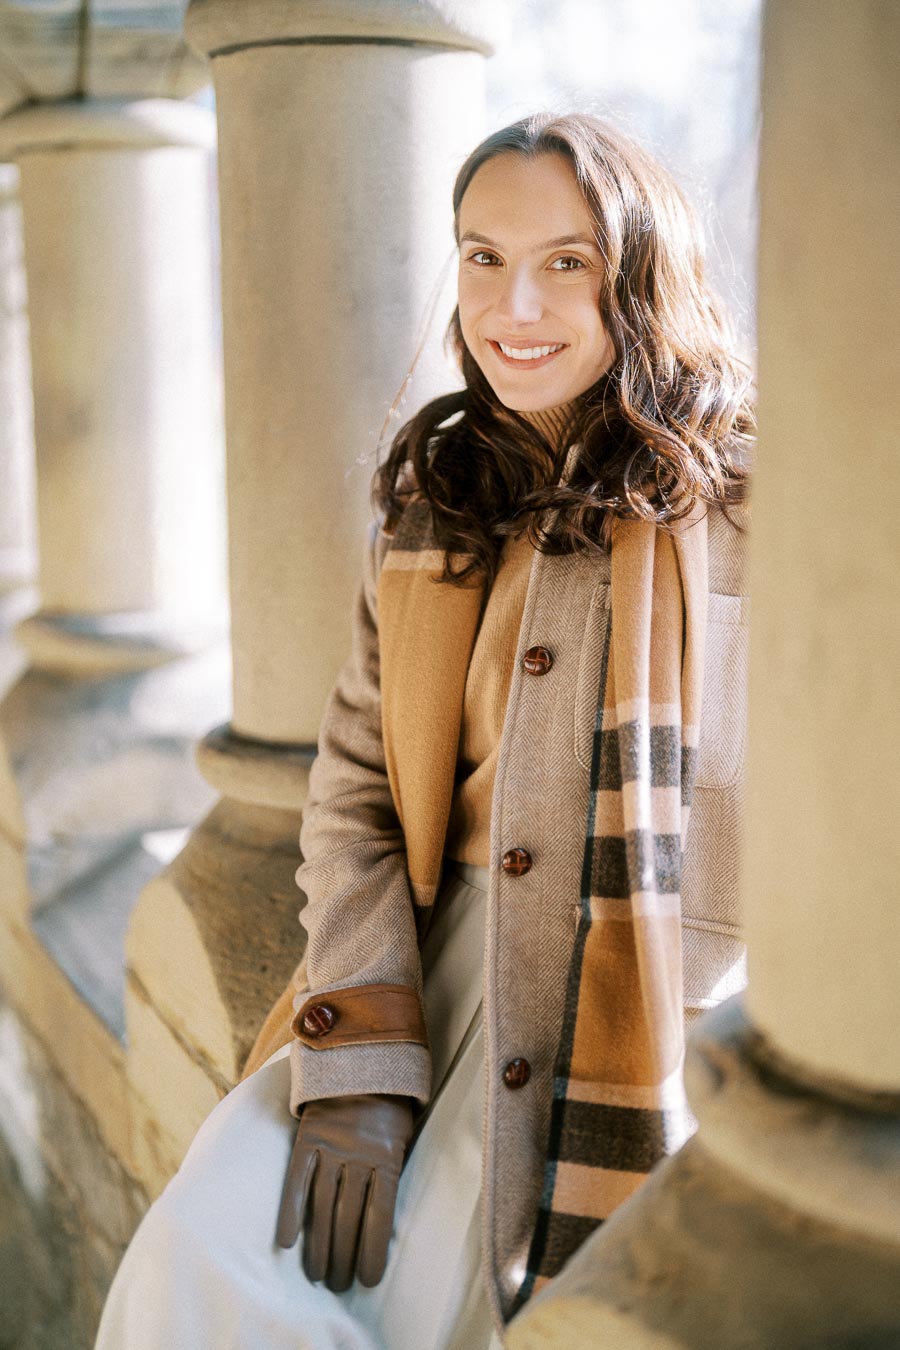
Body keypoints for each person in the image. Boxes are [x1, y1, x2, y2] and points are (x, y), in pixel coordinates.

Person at [95, 111, 754, 1350]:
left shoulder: (751, 507)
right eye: (480, 255)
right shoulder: (435, 507)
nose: (515, 305)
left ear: (642, 271)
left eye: (568, 262)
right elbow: (349, 790)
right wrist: (359, 1060)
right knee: (206, 1263)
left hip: (632, 997)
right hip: (418, 972)